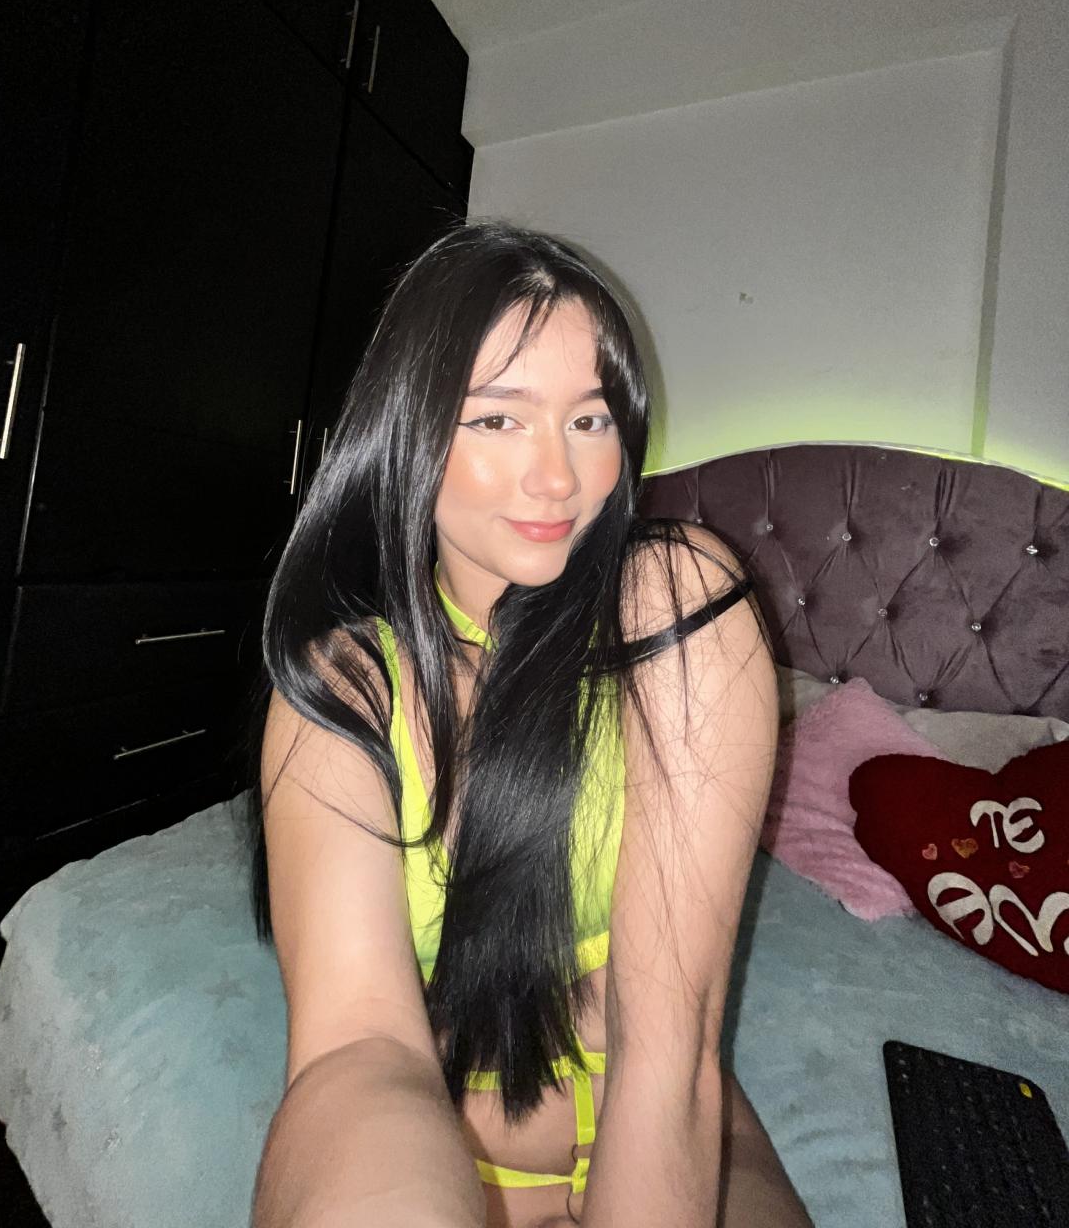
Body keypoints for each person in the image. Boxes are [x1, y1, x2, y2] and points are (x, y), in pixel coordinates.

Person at [240, 218, 813, 1228]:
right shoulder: (348, 686)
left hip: (671, 1133)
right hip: (444, 1156)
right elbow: (356, 1047)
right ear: (410, 432)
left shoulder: (671, 605)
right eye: (499, 419)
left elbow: (668, 1043)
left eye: (590, 420)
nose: (558, 476)